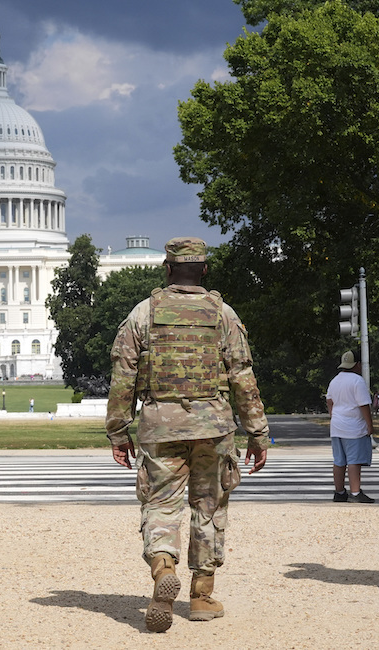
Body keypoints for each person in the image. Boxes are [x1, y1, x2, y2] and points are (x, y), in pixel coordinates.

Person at [105, 237, 268, 633]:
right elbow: (242, 377)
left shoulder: (144, 313)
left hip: (160, 422)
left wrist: (117, 431)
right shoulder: (223, 314)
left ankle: (163, 565)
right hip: (212, 424)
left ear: (167, 268)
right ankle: (201, 595)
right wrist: (258, 432)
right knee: (208, 506)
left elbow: (123, 376)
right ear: (205, 270)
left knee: (161, 504)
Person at [326, 351, 375, 503]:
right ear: (358, 365)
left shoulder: (335, 380)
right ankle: (355, 492)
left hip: (337, 425)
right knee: (354, 461)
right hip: (354, 426)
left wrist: (333, 416)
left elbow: (329, 400)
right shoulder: (357, 381)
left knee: (339, 461)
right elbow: (364, 405)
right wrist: (369, 425)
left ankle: (339, 491)